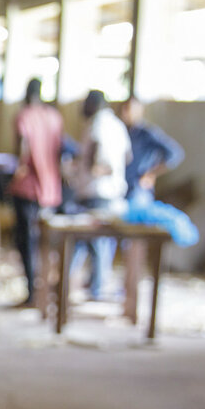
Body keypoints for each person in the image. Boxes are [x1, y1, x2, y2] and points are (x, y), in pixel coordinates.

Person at [70, 89, 131, 300]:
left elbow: (95, 162)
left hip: (95, 192)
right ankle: (93, 286)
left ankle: (87, 287)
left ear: (93, 105)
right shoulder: (118, 125)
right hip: (113, 193)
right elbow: (128, 157)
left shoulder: (96, 124)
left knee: (87, 241)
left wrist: (88, 168)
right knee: (101, 243)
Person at [8, 79, 63, 307]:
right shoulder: (54, 116)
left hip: (28, 187)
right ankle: (45, 291)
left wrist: (17, 170)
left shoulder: (24, 116)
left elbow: (23, 148)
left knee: (26, 241)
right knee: (45, 242)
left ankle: (32, 292)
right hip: (50, 188)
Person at [117, 97, 184, 208]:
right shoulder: (123, 132)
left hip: (138, 191)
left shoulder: (147, 133)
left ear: (139, 111)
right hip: (123, 188)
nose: (125, 113)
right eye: (123, 109)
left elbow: (175, 154)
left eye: (128, 109)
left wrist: (151, 174)